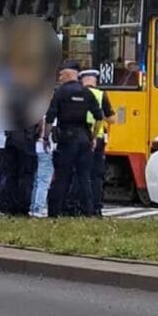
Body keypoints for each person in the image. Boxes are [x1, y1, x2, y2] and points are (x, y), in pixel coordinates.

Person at [46, 62, 104, 217]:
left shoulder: (60, 93)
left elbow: (50, 117)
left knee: (61, 177)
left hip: (66, 139)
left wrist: (46, 137)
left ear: (68, 74)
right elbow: (99, 117)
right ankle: (88, 212)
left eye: (61, 74)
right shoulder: (87, 93)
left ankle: (55, 212)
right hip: (84, 139)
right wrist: (93, 137)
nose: (59, 77)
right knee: (84, 177)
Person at [80, 69, 115, 217]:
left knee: (81, 174)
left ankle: (81, 207)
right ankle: (96, 208)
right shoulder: (101, 95)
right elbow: (112, 119)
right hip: (98, 139)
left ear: (82, 80)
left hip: (81, 137)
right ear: (95, 80)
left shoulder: (77, 93)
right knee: (96, 176)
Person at [0, 123, 36, 215]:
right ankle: (23, 207)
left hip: (11, 140)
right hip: (26, 140)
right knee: (26, 175)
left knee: (10, 175)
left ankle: (9, 206)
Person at [30, 121, 53, 218]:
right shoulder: (51, 114)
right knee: (44, 181)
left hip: (37, 146)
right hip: (47, 147)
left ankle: (32, 207)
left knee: (36, 181)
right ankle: (38, 209)